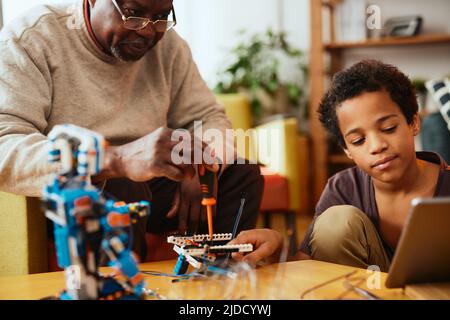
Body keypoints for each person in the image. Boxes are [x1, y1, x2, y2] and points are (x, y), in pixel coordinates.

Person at [0, 0, 263, 260]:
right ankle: (124, 288)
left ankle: (220, 280)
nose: (148, 30)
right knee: (123, 187)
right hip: (70, 192)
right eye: (133, 13)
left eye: (161, 16)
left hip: (149, 188)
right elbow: (5, 145)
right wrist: (117, 160)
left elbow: (208, 117)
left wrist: (199, 163)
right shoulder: (32, 38)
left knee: (242, 176)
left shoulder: (169, 46)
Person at [230, 60, 450, 272]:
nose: (377, 146)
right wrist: (277, 249)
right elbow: (307, 268)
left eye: (389, 128)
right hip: (361, 292)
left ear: (413, 122)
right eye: (358, 141)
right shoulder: (343, 188)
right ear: (347, 150)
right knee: (335, 223)